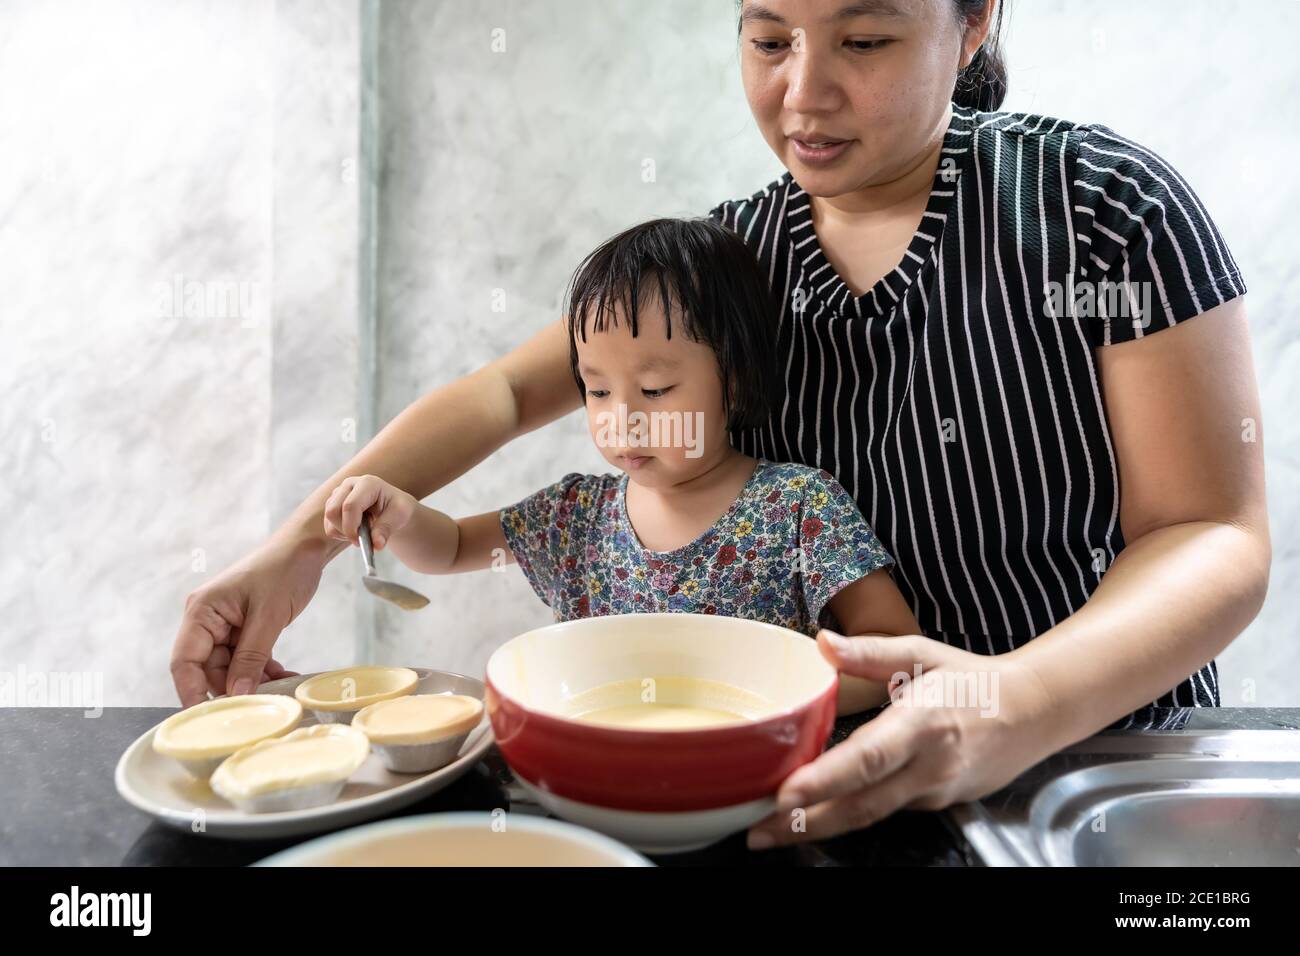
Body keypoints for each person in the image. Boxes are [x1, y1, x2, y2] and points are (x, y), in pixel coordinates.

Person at [171, 0, 1269, 848]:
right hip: (823, 777)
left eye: (867, 39)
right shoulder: (731, 264)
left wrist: (1008, 703)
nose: (805, 92)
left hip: (1095, 763)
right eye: (767, 36)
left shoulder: (1101, 209)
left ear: (974, 21)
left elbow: (1208, 535)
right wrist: (296, 546)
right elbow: (503, 394)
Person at [320, 218, 921, 716]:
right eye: (597, 390)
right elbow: (449, 549)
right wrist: (398, 514)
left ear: (734, 381)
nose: (622, 419)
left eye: (655, 389)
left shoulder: (797, 506)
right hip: (595, 779)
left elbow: (897, 652)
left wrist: (771, 701)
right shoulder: (575, 516)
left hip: (751, 786)